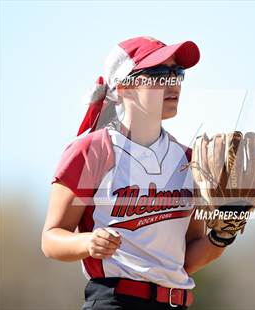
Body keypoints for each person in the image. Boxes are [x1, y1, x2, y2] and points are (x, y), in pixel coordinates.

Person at [41, 36, 226, 309]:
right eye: (159, 74)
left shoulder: (189, 160)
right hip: (115, 301)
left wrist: (223, 235)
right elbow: (51, 238)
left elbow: (186, 258)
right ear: (124, 86)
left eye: (177, 73)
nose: (172, 82)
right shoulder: (92, 151)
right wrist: (87, 242)